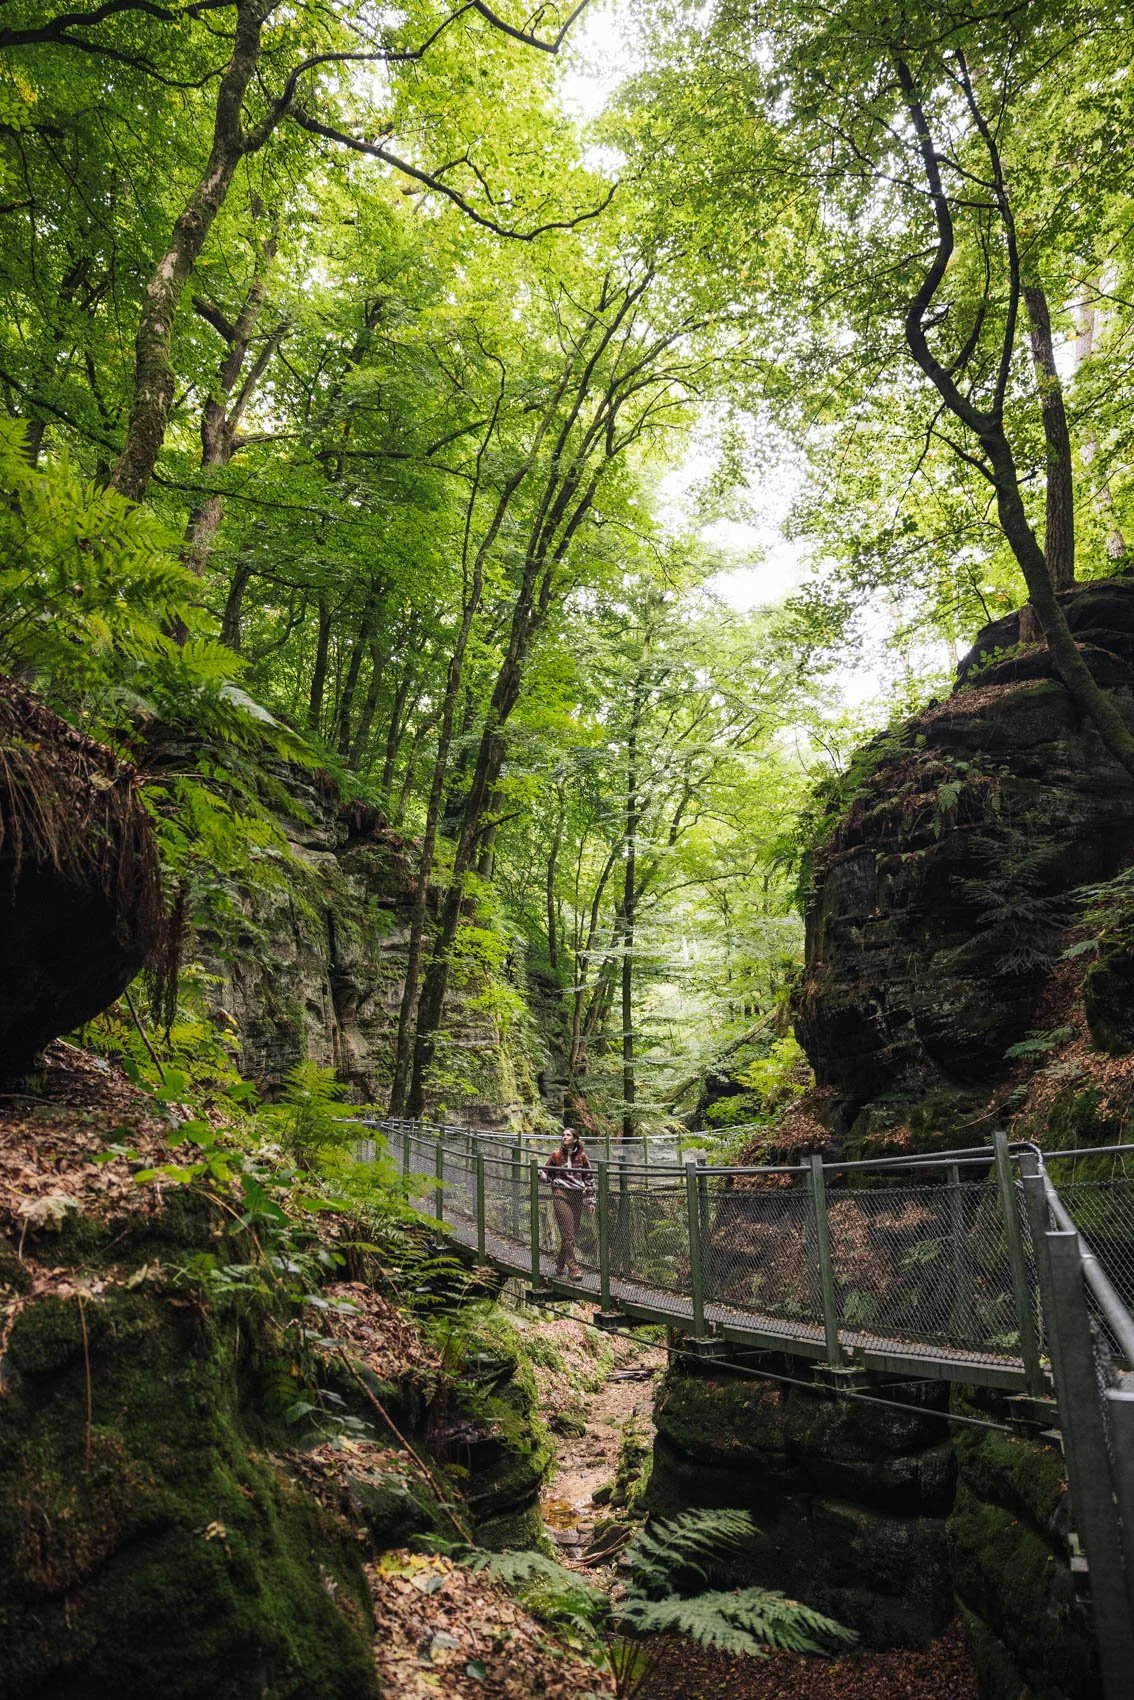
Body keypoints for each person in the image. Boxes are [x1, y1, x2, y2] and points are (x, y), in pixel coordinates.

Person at [540, 1126, 594, 1281]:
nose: (564, 1137)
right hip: (560, 1194)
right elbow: (547, 1176)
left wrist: (591, 1200)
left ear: (575, 1139)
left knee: (572, 1234)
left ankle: (560, 1262)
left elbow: (589, 1178)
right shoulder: (556, 1155)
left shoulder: (582, 1157)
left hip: (577, 1196)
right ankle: (574, 1268)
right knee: (568, 1235)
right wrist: (540, 1174)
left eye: (568, 1135)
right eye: (563, 1135)